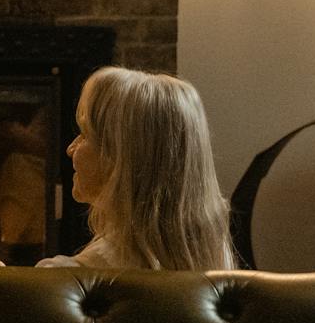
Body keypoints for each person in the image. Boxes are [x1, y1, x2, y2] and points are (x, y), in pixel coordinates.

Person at [37, 67, 237, 272]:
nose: (71, 148)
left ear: (120, 157)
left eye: (85, 134)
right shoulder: (213, 266)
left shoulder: (72, 277)